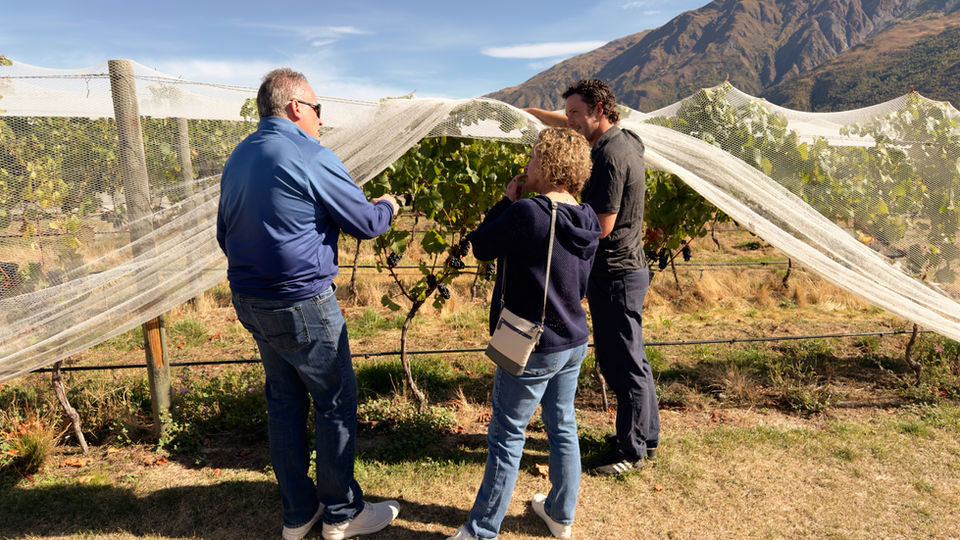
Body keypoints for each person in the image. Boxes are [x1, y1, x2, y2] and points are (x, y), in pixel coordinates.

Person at [217, 68, 401, 540]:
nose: (321, 120)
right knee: (335, 403)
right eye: (319, 110)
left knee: (283, 402)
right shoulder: (307, 152)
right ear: (297, 107)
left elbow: (224, 232)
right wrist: (388, 206)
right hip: (301, 302)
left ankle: (298, 515)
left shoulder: (240, 155)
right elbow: (363, 222)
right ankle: (341, 513)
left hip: (251, 301)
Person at [448, 127, 600, 540]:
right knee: (563, 424)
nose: (527, 165)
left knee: (506, 434)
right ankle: (560, 514)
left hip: (532, 342)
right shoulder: (586, 216)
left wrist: (505, 201)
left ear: (549, 166)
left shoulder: (529, 213)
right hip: (572, 339)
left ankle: (481, 530)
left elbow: (479, 246)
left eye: (534, 159)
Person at [525, 78, 661, 476]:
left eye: (575, 114)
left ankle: (630, 451)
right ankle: (644, 437)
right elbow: (567, 120)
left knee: (623, 364)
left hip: (615, 273)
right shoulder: (625, 139)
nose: (569, 122)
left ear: (598, 110)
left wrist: (557, 213)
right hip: (627, 270)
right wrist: (532, 114)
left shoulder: (609, 157)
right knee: (633, 358)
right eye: (566, 114)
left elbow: (601, 225)